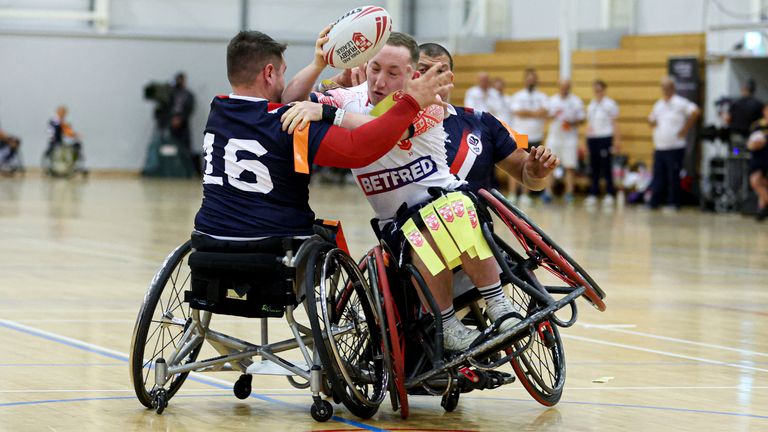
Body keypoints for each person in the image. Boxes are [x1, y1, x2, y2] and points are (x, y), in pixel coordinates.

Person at [281, 32, 556, 352]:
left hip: (445, 201)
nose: (380, 80)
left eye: (393, 73)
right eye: (375, 69)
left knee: (447, 213)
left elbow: (382, 127)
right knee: (420, 233)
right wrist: (318, 66)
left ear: (413, 76)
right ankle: (449, 325)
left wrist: (328, 114)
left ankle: (499, 306)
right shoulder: (348, 97)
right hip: (397, 223)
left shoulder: (431, 104)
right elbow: (288, 102)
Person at [194, 30, 448, 241]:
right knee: (329, 237)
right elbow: (357, 149)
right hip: (273, 239)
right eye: (282, 73)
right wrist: (410, 104)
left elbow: (294, 99)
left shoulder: (218, 111)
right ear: (270, 73)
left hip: (207, 236)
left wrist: (323, 70)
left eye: (392, 73)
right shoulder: (290, 120)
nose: (380, 81)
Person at [416, 42, 558, 193]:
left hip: (472, 215)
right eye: (423, 70)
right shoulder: (393, 127)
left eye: (440, 71)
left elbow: (527, 175)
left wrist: (533, 174)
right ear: (410, 76)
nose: (431, 78)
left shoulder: (482, 122)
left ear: (451, 79)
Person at [647, 76, 700, 211]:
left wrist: (685, 128)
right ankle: (655, 202)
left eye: (667, 87)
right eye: (663, 87)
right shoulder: (658, 104)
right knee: (658, 176)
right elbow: (651, 120)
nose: (665, 90)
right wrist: (652, 122)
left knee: (673, 176)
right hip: (660, 147)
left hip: (675, 147)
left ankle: (674, 203)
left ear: (673, 88)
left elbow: (696, 112)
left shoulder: (680, 102)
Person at [509, 68, 549, 205]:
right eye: (529, 78)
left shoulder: (542, 96)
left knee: (531, 165)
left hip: (536, 135)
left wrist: (529, 112)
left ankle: (525, 194)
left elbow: (544, 112)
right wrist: (535, 113)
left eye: (533, 78)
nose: (531, 80)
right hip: (521, 134)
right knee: (516, 163)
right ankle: (513, 193)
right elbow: (518, 112)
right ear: (525, 79)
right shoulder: (518, 96)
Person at [545, 79, 585, 204]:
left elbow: (582, 119)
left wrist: (571, 122)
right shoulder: (553, 100)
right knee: (548, 165)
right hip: (554, 138)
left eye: (566, 86)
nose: (564, 89)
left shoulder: (576, 101)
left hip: (569, 139)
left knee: (569, 167)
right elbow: (546, 116)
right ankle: (548, 192)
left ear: (569, 87)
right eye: (562, 86)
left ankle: (569, 193)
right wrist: (554, 115)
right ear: (559, 87)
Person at [584, 79, 620, 208]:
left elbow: (615, 123)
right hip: (593, 139)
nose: (597, 92)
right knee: (594, 167)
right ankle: (593, 192)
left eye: (599, 90)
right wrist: (586, 142)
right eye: (596, 90)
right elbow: (589, 125)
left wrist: (617, 141)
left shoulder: (610, 104)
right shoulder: (592, 105)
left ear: (604, 90)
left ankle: (610, 193)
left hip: (605, 138)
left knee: (606, 166)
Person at [170, 72, 198, 175]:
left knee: (186, 148)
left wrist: (180, 119)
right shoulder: (171, 93)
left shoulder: (188, 95)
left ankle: (187, 171)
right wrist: (171, 119)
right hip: (171, 125)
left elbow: (190, 109)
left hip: (184, 125)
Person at [44, 105, 86, 173]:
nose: (64, 115)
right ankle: (72, 165)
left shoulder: (59, 120)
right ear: (59, 112)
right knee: (75, 146)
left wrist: (73, 133)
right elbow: (65, 130)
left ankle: (74, 164)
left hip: (58, 140)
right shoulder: (56, 120)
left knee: (77, 146)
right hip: (55, 141)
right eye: (63, 113)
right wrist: (74, 134)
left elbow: (66, 130)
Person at [725, 78, 763, 150]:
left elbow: (727, 119)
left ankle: (736, 155)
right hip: (752, 138)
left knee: (736, 154)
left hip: (737, 136)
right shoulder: (759, 104)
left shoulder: (735, 103)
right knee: (748, 156)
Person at [747, 105, 768, 221]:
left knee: (764, 184)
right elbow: (749, 144)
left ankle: (761, 210)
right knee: (755, 181)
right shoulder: (757, 126)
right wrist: (753, 145)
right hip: (759, 159)